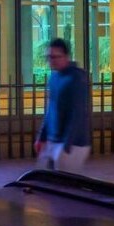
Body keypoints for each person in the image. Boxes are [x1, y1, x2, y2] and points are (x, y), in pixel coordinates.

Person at [34, 38, 92, 173]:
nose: (51, 60)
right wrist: (42, 137)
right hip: (53, 140)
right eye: (49, 57)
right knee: (42, 176)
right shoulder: (54, 77)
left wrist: (67, 144)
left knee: (65, 180)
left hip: (73, 143)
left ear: (66, 56)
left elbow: (77, 112)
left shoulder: (76, 78)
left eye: (56, 57)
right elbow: (51, 109)